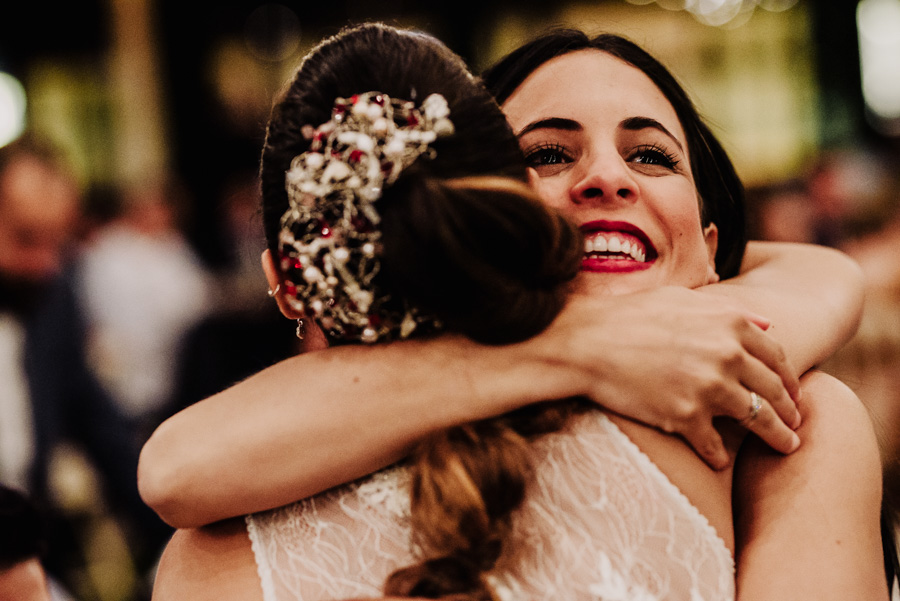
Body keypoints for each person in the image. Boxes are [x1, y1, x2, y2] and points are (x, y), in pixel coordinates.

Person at [143, 23, 884, 600]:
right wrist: (583, 341)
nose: (605, 177)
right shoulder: (237, 513)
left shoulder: (788, 419)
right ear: (476, 209)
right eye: (550, 154)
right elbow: (175, 467)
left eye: (653, 156)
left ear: (713, 247)